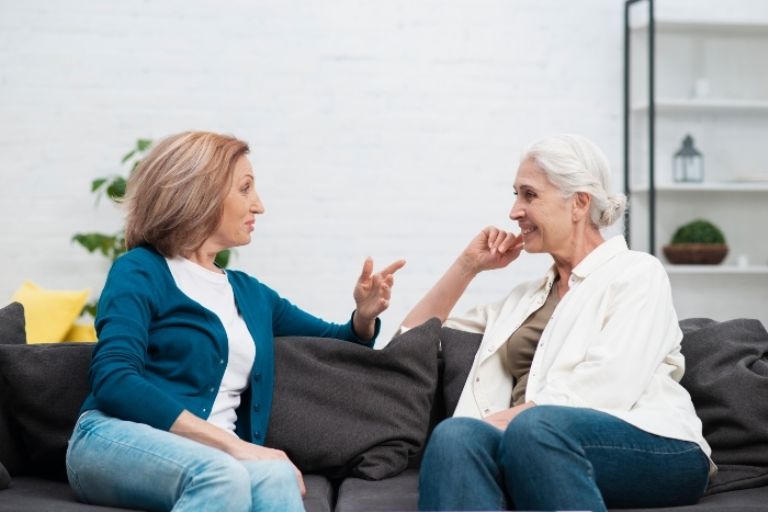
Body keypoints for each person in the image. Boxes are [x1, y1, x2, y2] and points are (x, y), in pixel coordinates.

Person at [65, 131, 406, 512]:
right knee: (223, 474)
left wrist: (363, 316)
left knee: (275, 476)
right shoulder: (140, 271)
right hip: (114, 440)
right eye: (245, 189)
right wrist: (234, 445)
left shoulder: (252, 295)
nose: (259, 206)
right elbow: (113, 379)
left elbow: (337, 343)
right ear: (201, 193)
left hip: (217, 459)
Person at [403, 134, 713, 512]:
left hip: (655, 443)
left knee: (534, 429)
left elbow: (607, 387)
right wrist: (467, 266)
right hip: (529, 443)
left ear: (579, 203)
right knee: (453, 436)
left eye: (529, 195)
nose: (514, 211)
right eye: (516, 195)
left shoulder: (637, 274)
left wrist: (501, 421)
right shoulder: (523, 300)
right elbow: (412, 340)